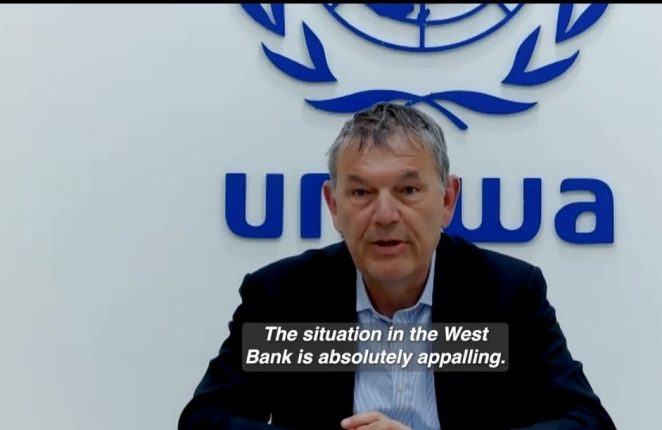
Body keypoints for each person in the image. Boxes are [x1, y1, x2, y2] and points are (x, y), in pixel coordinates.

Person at [178, 103, 616, 429]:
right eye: (361, 193)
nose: (385, 215)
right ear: (333, 205)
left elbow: (585, 421)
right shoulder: (287, 297)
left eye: (408, 190)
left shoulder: (503, 294)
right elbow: (206, 419)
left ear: (447, 200)